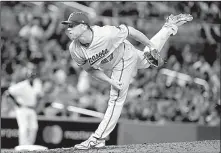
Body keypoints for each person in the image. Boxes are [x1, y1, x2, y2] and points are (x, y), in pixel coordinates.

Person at [61, 12, 193, 149]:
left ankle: (97, 138)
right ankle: (169, 27)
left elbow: (131, 31)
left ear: (83, 26)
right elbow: (90, 69)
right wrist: (109, 81)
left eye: (72, 25)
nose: (68, 29)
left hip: (124, 57)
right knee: (146, 61)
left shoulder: (106, 33)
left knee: (116, 98)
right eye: (67, 26)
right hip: (117, 60)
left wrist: (150, 44)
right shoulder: (74, 49)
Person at [3, 69, 43, 146]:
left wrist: (37, 103)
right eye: (31, 76)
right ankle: (23, 146)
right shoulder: (22, 85)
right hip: (22, 109)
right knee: (24, 127)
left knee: (34, 127)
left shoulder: (37, 84)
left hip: (32, 109)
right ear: (27, 77)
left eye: (33, 76)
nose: (32, 78)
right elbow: (8, 93)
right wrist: (16, 103)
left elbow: (39, 96)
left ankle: (30, 146)